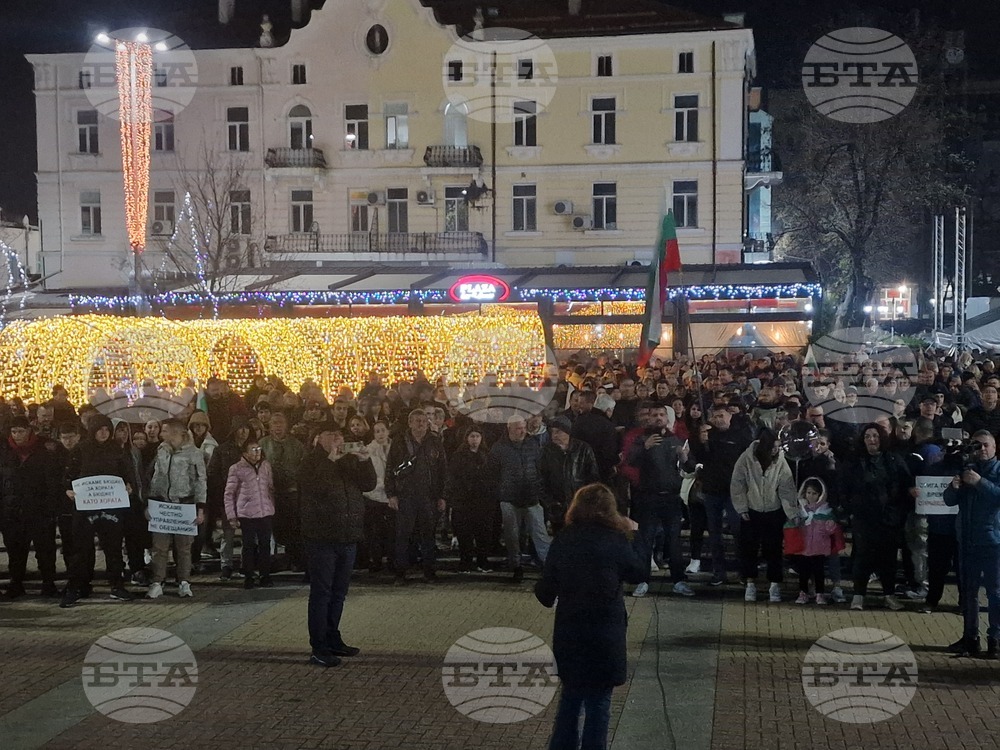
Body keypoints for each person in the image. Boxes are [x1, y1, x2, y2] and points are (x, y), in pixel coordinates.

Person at [534, 483, 647, 750]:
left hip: (571, 631)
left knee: (571, 698)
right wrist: (636, 535)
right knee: (599, 702)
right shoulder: (616, 540)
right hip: (605, 633)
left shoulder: (565, 538)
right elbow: (640, 573)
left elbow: (545, 594)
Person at [299, 423, 376, 667]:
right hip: (322, 537)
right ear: (319, 438)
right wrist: (329, 461)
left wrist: (364, 460)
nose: (337, 439)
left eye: (340, 435)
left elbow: (368, 484)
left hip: (348, 535)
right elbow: (314, 488)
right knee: (322, 593)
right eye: (332, 434)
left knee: (339, 593)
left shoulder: (348, 460)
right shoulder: (311, 462)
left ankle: (333, 638)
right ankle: (318, 646)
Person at [60, 415, 133, 607]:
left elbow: (127, 473)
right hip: (85, 507)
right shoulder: (81, 449)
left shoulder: (116, 450)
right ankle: (77, 587)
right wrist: (68, 489)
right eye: (100, 429)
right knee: (81, 549)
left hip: (111, 506)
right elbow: (69, 474)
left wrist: (128, 485)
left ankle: (117, 585)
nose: (104, 433)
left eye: (107, 430)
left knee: (113, 547)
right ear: (92, 430)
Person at [842, 424, 913, 611]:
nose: (872, 440)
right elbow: (844, 487)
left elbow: (907, 484)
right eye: (867, 436)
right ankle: (858, 596)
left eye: (875, 436)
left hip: (889, 518)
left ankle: (889, 595)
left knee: (888, 559)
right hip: (864, 518)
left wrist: (904, 503)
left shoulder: (893, 459)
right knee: (862, 556)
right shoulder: (855, 461)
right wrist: (850, 509)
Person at [626, 404, 692, 598]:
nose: (658, 418)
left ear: (667, 418)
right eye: (654, 415)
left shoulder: (676, 440)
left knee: (674, 542)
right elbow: (630, 461)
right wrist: (644, 448)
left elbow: (689, 467)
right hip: (648, 498)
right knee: (645, 542)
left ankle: (678, 580)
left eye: (661, 415)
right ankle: (642, 581)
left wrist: (685, 457)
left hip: (671, 498)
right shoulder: (641, 439)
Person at [944, 431, 1000, 657]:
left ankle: (995, 639)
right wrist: (954, 487)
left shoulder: (997, 471)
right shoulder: (966, 469)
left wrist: (980, 482)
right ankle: (970, 638)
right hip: (967, 541)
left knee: (995, 593)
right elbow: (949, 501)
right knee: (969, 593)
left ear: (995, 448)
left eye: (986, 445)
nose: (982, 450)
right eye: (977, 446)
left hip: (993, 541)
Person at [730, 429, 797, 603]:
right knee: (749, 549)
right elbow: (737, 484)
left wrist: (791, 512)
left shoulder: (780, 461)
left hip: (774, 511)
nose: (776, 450)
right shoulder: (746, 459)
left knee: (774, 549)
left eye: (778, 447)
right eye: (774, 447)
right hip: (752, 511)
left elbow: (787, 488)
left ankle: (774, 584)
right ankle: (750, 583)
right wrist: (742, 508)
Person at [690, 403, 753, 586]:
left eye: (721, 415)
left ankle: (743, 571)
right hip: (712, 491)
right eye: (715, 416)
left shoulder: (740, 435)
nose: (719, 420)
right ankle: (719, 571)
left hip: (734, 491)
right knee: (714, 533)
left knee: (738, 531)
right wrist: (700, 442)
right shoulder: (708, 436)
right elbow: (699, 458)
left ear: (729, 416)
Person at [147, 419, 208, 600]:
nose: (161, 433)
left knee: (183, 547)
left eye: (165, 430)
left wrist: (200, 507)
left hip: (184, 504)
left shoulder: (194, 453)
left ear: (177, 432)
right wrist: (150, 503)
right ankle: (158, 582)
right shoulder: (162, 451)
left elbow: (200, 481)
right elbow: (156, 477)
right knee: (159, 546)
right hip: (163, 505)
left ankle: (183, 581)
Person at [0, 416, 60, 599]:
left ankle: (48, 584)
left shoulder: (43, 451)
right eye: (14, 431)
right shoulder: (6, 453)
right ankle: (16, 584)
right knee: (15, 551)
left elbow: (51, 482)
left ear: (28, 431)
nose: (18, 435)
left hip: (39, 510)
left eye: (21, 431)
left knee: (45, 550)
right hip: (12, 512)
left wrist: (50, 507)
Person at [385, 408, 447, 584]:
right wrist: (391, 494)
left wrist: (442, 495)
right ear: (410, 423)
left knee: (428, 535)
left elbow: (443, 469)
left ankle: (429, 571)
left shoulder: (434, 442)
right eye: (417, 421)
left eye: (424, 421)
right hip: (406, 496)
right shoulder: (400, 442)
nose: (421, 424)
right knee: (403, 536)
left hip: (428, 496)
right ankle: (400, 573)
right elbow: (390, 468)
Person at [489, 415, 551, 583]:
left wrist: (540, 490)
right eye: (518, 428)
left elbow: (539, 469)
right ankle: (516, 566)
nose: (522, 431)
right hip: (509, 497)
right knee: (512, 535)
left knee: (540, 533)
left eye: (524, 427)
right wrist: (500, 492)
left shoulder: (532, 444)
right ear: (509, 429)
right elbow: (493, 474)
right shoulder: (499, 448)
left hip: (531, 496)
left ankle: (548, 565)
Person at [206, 416, 254, 578]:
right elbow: (213, 473)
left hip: (249, 497)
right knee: (228, 532)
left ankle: (246, 563)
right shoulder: (222, 450)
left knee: (248, 532)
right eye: (240, 428)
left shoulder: (253, 448)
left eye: (246, 428)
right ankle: (226, 564)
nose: (243, 432)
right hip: (230, 497)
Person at [224, 439, 276, 588]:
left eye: (259, 448)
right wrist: (231, 515)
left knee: (265, 545)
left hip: (265, 512)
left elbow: (270, 487)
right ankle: (249, 576)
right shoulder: (236, 468)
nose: (257, 452)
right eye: (253, 449)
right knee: (248, 545)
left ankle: (265, 575)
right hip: (246, 513)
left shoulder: (265, 466)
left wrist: (271, 506)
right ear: (245, 453)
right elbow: (229, 493)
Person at [445, 424, 497, 572]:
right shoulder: (459, 456)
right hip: (464, 501)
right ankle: (465, 562)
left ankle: (482, 561)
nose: (475, 440)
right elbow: (454, 477)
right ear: (466, 438)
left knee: (483, 534)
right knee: (465, 534)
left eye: (477, 436)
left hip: (483, 501)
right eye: (472, 436)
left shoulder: (486, 455)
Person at [260, 412, 306, 574]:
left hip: (291, 492)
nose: (278, 426)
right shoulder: (263, 444)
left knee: (293, 528)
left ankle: (295, 559)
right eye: (274, 423)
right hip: (270, 494)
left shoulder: (297, 445)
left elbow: (303, 467)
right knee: (272, 528)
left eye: (281, 423)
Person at [786, 477, 844, 605]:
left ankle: (820, 593)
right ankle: (803, 592)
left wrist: (830, 526)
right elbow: (791, 526)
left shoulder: (825, 511)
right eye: (808, 493)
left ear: (820, 494)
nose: (811, 496)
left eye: (814, 493)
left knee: (819, 572)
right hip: (803, 548)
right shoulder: (800, 511)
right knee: (804, 572)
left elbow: (832, 531)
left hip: (819, 549)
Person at [539, 416, 600, 536]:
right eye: (552, 432)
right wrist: (550, 503)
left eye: (558, 432)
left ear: (567, 432)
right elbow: (541, 479)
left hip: (579, 506)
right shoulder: (547, 451)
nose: (554, 436)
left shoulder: (583, 449)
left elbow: (593, 478)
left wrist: (587, 502)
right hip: (557, 508)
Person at [362, 420, 394, 573]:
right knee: (375, 531)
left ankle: (392, 559)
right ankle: (376, 560)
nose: (380, 434)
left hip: (392, 496)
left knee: (392, 530)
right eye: (377, 431)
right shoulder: (369, 451)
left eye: (383, 430)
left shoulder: (396, 449)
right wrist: (382, 484)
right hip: (374, 495)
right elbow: (369, 473)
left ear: (388, 432)